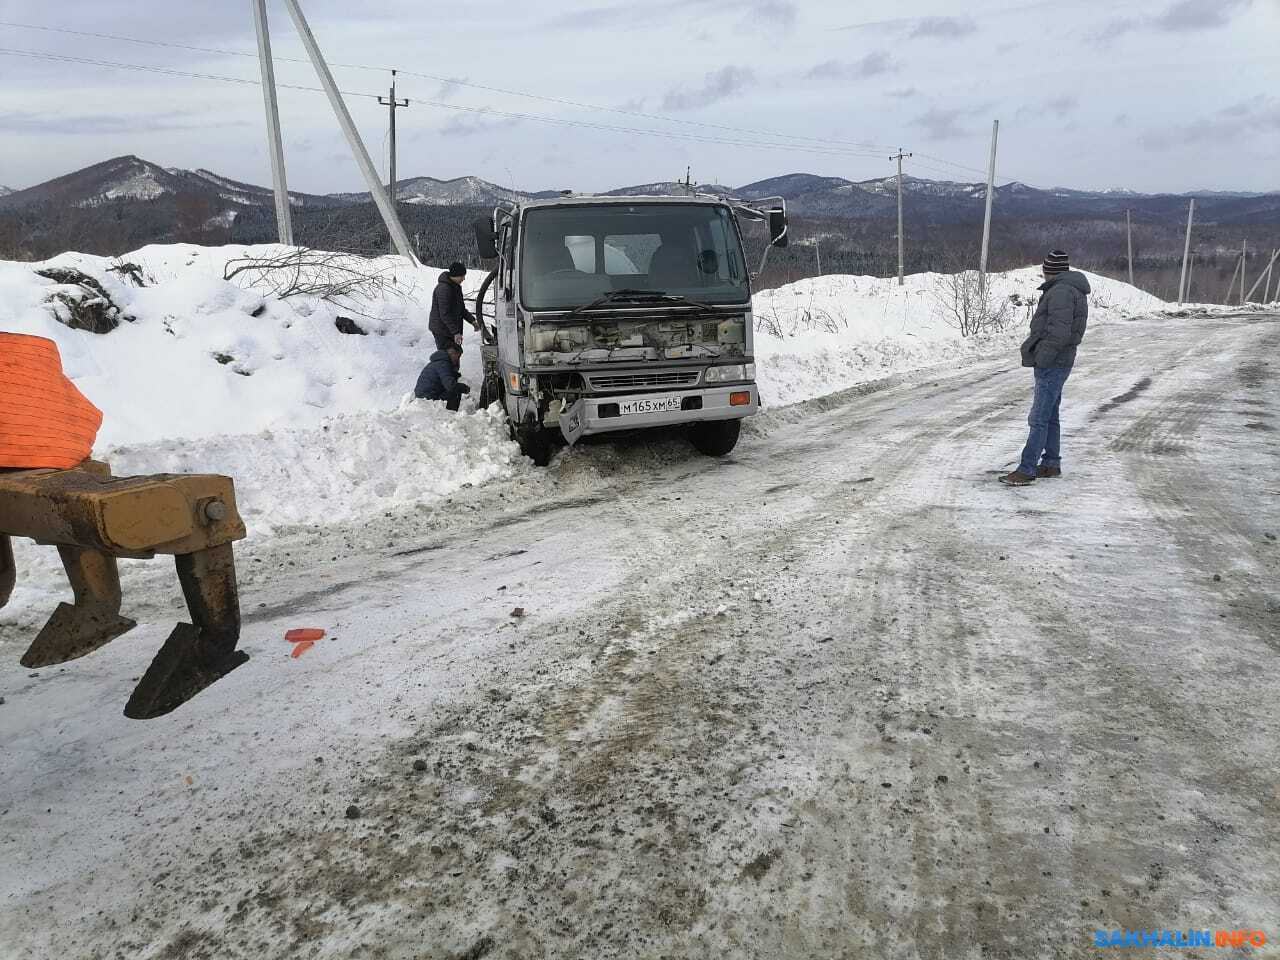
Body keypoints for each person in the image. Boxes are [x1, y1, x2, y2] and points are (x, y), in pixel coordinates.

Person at [999, 250, 1091, 486]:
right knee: (1050, 414)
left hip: (1053, 362)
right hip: (1061, 360)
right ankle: (1051, 463)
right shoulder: (1071, 289)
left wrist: (1042, 356)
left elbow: (1059, 333)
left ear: (1050, 269)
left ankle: (1026, 468)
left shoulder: (1061, 291)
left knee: (1038, 417)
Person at [428, 261, 475, 352]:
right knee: (448, 356)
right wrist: (456, 332)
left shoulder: (455, 287)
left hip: (451, 330)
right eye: (462, 276)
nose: (464, 279)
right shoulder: (444, 289)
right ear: (455, 275)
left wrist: (472, 321)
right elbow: (445, 314)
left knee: (455, 354)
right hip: (442, 330)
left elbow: (461, 309)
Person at [414, 343, 470, 412]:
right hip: (427, 397)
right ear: (452, 352)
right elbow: (450, 385)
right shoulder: (443, 364)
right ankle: (451, 415)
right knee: (455, 392)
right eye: (458, 356)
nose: (458, 360)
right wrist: (464, 388)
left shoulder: (438, 362)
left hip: (422, 395)